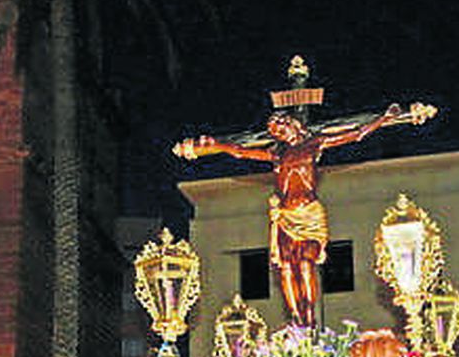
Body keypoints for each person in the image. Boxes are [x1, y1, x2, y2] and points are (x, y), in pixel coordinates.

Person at [175, 91, 436, 326]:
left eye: (279, 127)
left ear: (291, 124)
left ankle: (309, 318)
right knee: (287, 267)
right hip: (285, 216)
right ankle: (296, 320)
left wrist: (385, 118)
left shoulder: (314, 144)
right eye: (274, 131)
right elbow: (241, 152)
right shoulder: (277, 153)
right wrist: (215, 145)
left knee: (306, 264)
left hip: (309, 214)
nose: (277, 133)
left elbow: (355, 134)